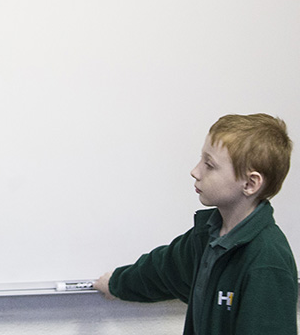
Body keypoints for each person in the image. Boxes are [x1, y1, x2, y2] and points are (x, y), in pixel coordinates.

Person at [93, 113, 297, 334]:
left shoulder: (267, 263)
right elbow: (160, 270)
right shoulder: (208, 236)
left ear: (250, 183)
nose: (195, 171)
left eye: (209, 165)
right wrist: (115, 283)